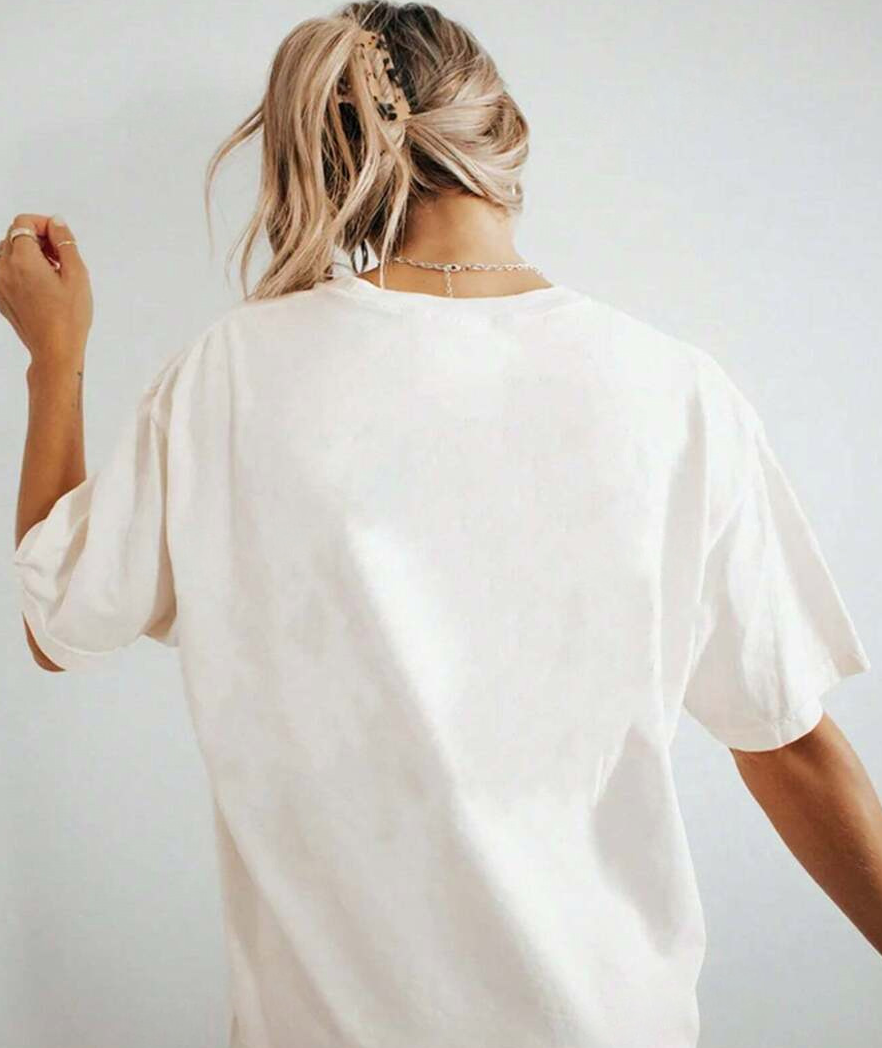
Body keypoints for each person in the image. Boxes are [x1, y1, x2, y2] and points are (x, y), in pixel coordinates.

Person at [4, 3, 880, 1046]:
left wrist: (55, 357)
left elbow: (63, 618)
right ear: (506, 134)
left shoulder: (232, 375)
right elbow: (789, 746)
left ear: (331, 154)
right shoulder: (677, 394)